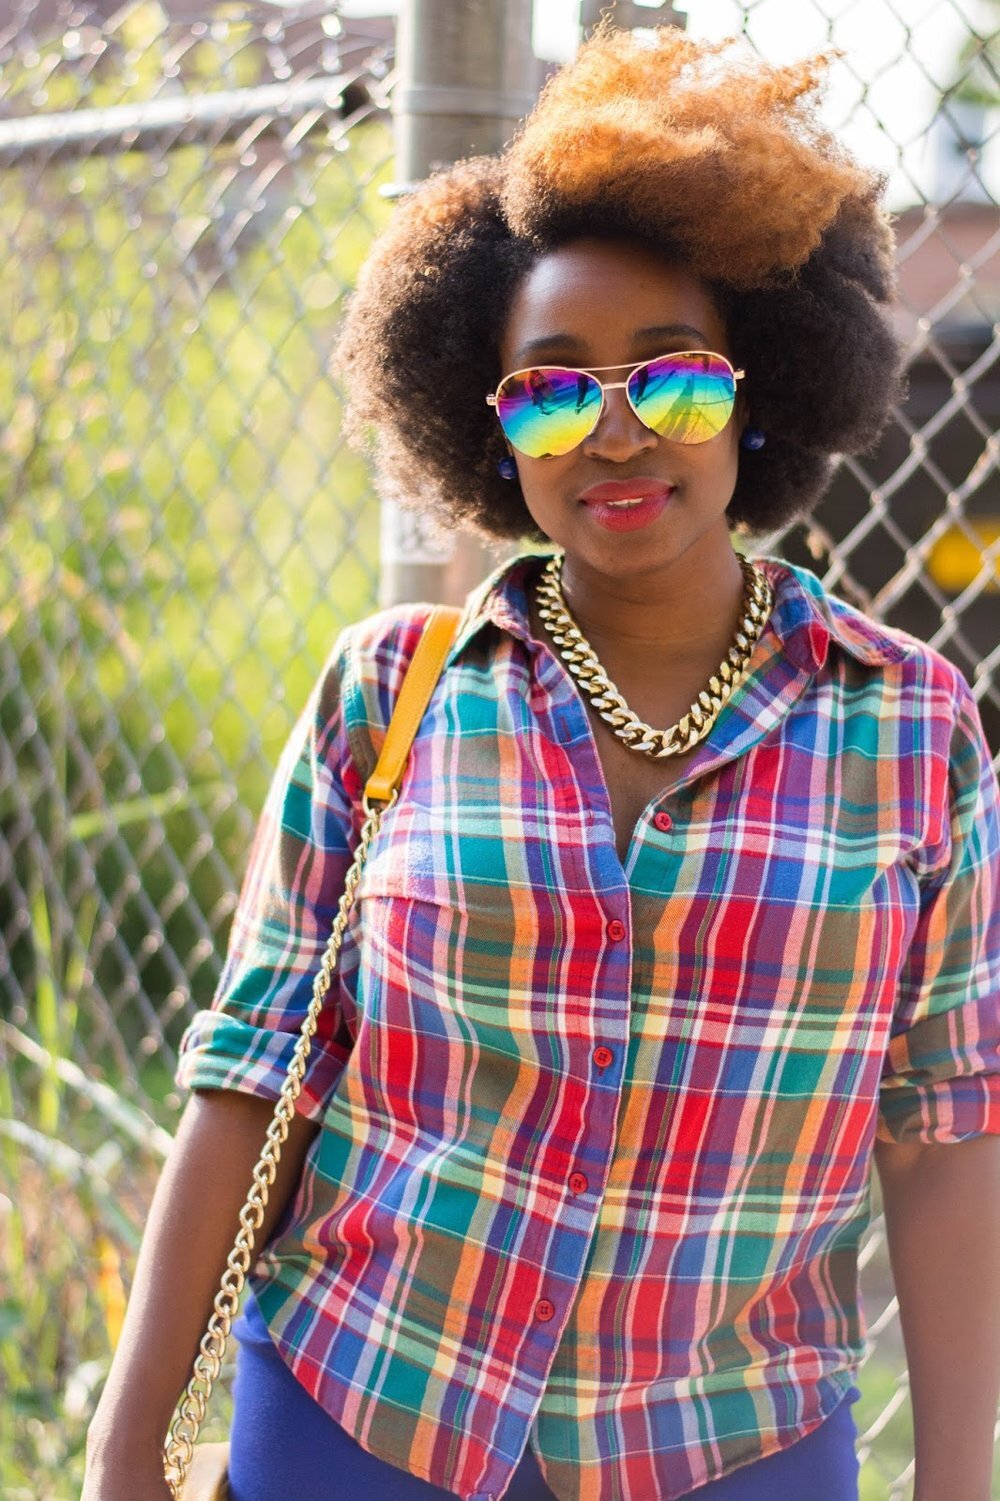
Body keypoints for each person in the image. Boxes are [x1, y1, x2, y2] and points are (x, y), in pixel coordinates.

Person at [83, 22, 1000, 1501]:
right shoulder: (390, 694)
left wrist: (960, 1479)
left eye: (673, 379)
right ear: (490, 430)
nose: (618, 431)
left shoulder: (908, 727)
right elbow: (251, 1078)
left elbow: (946, 1127)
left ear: (760, 385)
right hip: (359, 1416)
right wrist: (125, 1449)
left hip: (727, 1444)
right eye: (554, 388)